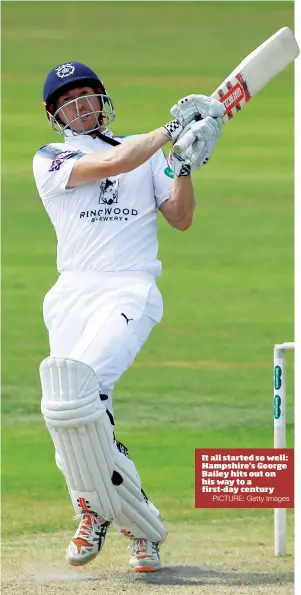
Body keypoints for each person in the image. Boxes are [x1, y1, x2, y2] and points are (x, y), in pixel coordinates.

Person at [33, 61, 224, 573]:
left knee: (82, 394)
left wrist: (184, 165)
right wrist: (169, 132)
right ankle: (122, 521)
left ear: (102, 98)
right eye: (69, 100)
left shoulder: (149, 154)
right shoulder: (51, 156)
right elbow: (112, 165)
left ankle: (107, 515)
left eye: (88, 94)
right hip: (72, 291)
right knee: (65, 414)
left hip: (127, 285)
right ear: (55, 115)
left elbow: (181, 218)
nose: (82, 105)